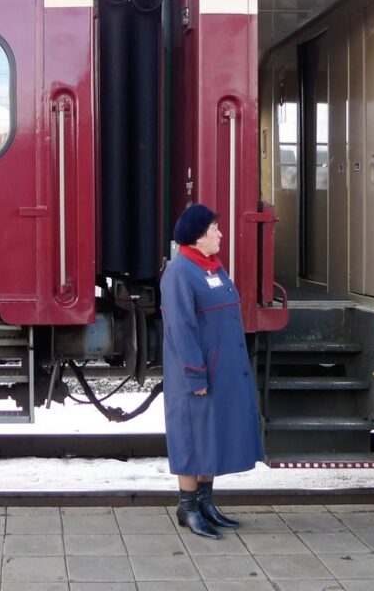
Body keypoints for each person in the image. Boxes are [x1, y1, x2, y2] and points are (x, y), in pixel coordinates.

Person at [160, 203, 265, 539]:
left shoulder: (213, 268)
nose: (220, 234)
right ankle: (187, 506)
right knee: (191, 436)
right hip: (197, 373)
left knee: (211, 436)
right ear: (197, 237)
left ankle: (206, 503)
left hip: (220, 370)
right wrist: (195, 375)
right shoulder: (179, 273)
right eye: (214, 229)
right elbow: (182, 328)